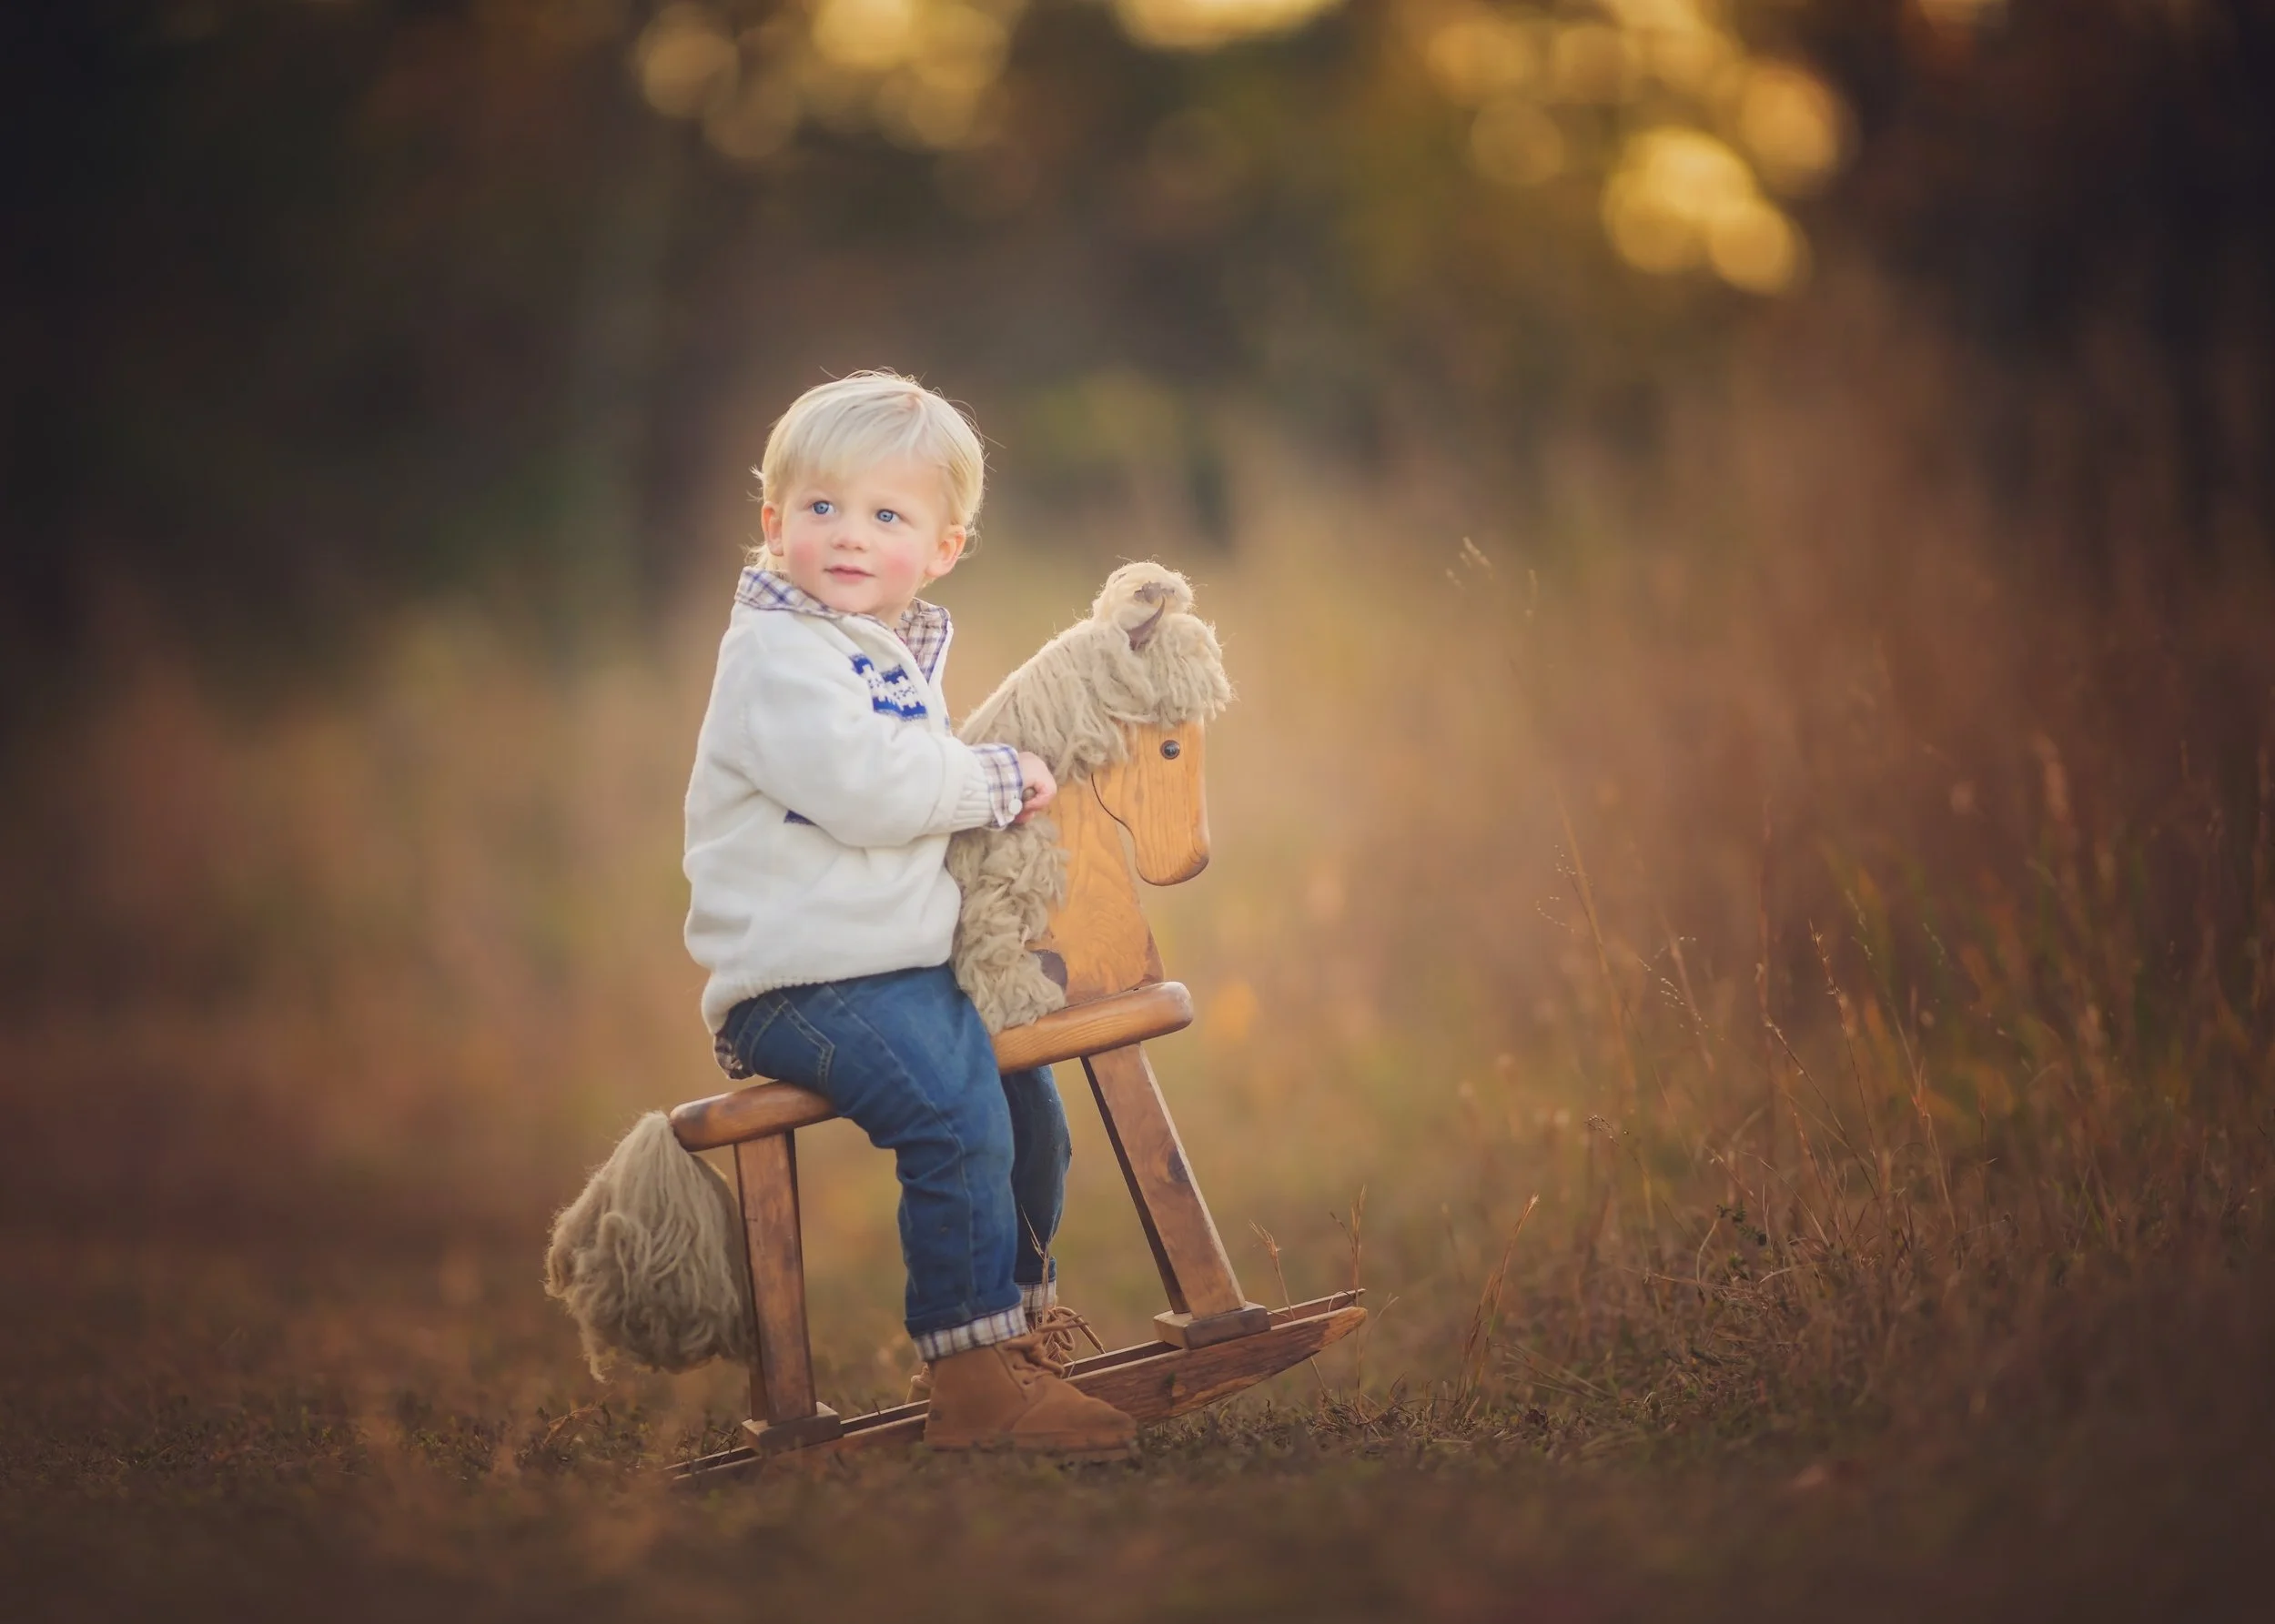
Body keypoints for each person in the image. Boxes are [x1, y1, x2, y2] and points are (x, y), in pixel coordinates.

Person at [682, 371, 1137, 1459]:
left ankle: (1017, 1331)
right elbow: (869, 791)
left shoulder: (876, 652)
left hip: (889, 967)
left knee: (1029, 1108)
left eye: (887, 515)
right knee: (951, 1112)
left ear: (942, 549)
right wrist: (993, 779)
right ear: (772, 523)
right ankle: (971, 1378)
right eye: (822, 508)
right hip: (803, 982)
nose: (847, 536)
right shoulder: (779, 656)